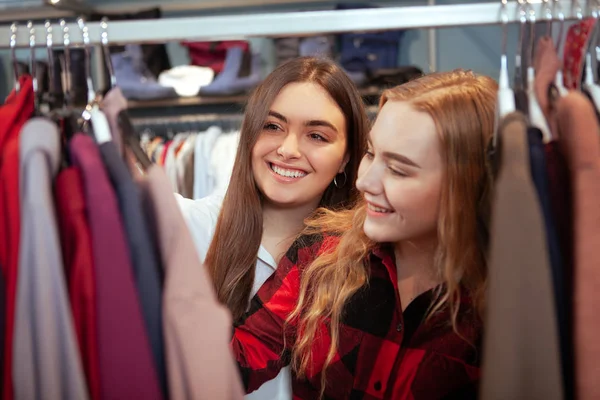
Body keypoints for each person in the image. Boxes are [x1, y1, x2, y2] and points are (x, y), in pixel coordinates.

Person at [232, 69, 497, 399]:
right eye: (371, 153)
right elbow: (239, 361)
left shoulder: (503, 305)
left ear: (466, 186)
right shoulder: (320, 253)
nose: (364, 182)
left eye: (398, 169)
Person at [177, 56, 369, 400]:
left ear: (345, 158)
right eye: (273, 126)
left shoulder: (366, 259)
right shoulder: (186, 228)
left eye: (316, 135)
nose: (288, 150)